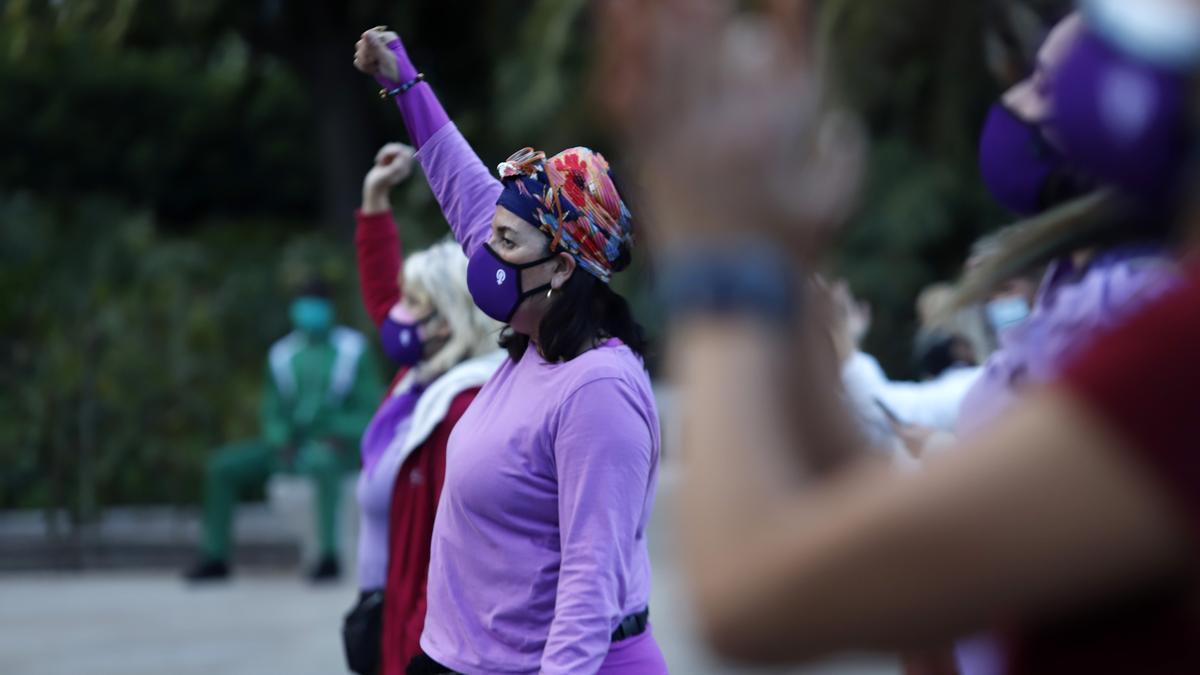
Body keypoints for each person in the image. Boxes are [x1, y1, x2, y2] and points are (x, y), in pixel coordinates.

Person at [603, 0, 1200, 671]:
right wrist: (781, 261)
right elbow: (908, 563)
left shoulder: (1180, 349)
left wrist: (715, 259)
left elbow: (748, 593)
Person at [353, 27, 668, 675]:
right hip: (462, 658)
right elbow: (463, 187)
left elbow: (590, 577)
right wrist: (402, 80)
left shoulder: (596, 389)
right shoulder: (535, 344)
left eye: (504, 240)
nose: (482, 251)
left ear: (560, 269)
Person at [341, 142, 505, 675]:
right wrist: (375, 201)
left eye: (412, 303)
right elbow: (381, 299)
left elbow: (452, 562)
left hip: (424, 636)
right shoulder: (419, 383)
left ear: (445, 324)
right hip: (393, 615)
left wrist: (414, 652)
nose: (396, 313)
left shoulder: (459, 408)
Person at [185, 281, 382, 582]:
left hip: (338, 448)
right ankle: (215, 557)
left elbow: (371, 412)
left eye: (315, 304)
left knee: (322, 464)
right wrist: (280, 439)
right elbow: (272, 411)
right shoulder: (282, 354)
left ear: (331, 309)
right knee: (222, 467)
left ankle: (327, 557)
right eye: (303, 304)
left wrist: (338, 429)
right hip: (290, 445)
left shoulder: (352, 351)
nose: (309, 312)